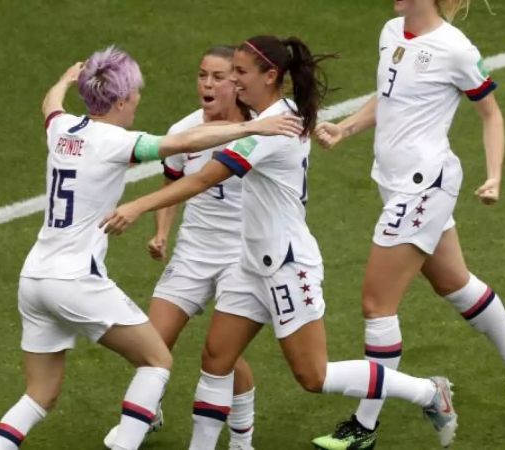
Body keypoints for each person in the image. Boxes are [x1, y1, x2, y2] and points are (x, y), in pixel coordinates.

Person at [101, 35, 459, 450]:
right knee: (216, 361)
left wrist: (137, 206)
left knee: (314, 376)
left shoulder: (276, 127)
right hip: (251, 264)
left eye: (239, 73)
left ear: (270, 76)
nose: (230, 82)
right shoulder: (265, 117)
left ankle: (429, 393)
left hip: (287, 267)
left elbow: (203, 179)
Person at [0, 46, 302, 450]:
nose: (137, 100)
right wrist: (249, 129)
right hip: (75, 281)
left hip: (33, 279)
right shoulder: (117, 142)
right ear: (120, 100)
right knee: (157, 361)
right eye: (135, 94)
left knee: (38, 395)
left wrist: (64, 82)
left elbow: (50, 104)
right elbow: (184, 141)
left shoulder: (61, 128)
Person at [309, 1, 505, 448]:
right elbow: (388, 95)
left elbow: (491, 114)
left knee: (377, 304)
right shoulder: (390, 31)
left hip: (423, 187)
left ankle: (365, 425)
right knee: (454, 282)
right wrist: (347, 128)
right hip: (392, 181)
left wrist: (494, 175)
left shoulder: (456, 49)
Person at [102, 46, 258, 450]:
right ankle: (148, 412)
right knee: (151, 343)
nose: (206, 84)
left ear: (237, 84)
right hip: (194, 252)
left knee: (222, 355)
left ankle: (242, 441)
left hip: (243, 257)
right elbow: (172, 183)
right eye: (202, 75)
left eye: (218, 77)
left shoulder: (260, 130)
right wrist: (162, 233)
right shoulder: (184, 131)